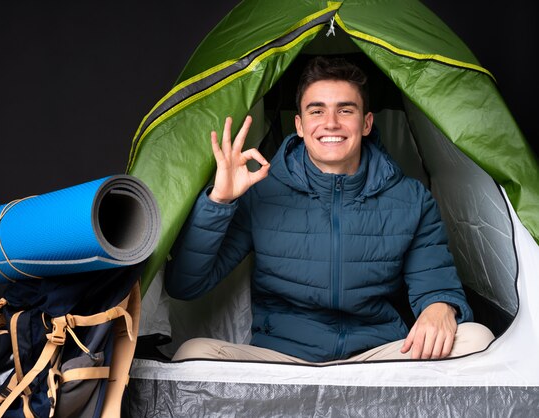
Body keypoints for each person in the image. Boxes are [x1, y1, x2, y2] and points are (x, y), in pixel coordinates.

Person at [165, 56, 494, 364]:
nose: (331, 124)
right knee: (194, 353)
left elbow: (434, 282)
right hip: (282, 363)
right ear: (299, 124)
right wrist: (218, 202)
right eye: (317, 111)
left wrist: (441, 307)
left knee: (476, 338)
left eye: (345, 110)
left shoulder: (410, 198)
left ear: (366, 123)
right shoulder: (262, 194)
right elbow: (185, 285)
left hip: (376, 358)